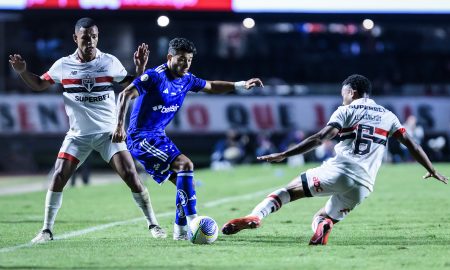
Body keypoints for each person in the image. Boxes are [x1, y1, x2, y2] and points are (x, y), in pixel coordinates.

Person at [222, 74, 448, 245]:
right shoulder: (388, 115)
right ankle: (324, 225)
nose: (343, 97)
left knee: (286, 192)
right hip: (365, 185)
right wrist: (432, 169)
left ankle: (256, 216)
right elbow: (412, 144)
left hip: (339, 171)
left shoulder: (345, 110)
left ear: (353, 92)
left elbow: (321, 138)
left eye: (344, 93)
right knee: (323, 216)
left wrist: (285, 154)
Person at [9, 17, 166, 243]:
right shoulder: (63, 65)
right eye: (85, 37)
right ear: (75, 38)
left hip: (108, 134)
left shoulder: (109, 62)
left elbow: (132, 87)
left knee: (131, 175)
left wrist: (140, 69)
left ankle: (154, 224)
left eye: (94, 36)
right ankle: (46, 230)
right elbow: (39, 85)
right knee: (58, 176)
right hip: (78, 136)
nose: (90, 41)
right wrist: (23, 72)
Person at [112, 37, 263, 240]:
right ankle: (194, 221)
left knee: (185, 183)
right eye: (182, 59)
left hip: (158, 137)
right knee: (186, 165)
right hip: (141, 138)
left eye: (189, 60)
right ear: (170, 57)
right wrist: (119, 126)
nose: (186, 64)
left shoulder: (187, 79)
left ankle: (180, 231)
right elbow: (125, 95)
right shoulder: (155, 76)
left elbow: (211, 86)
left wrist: (241, 85)